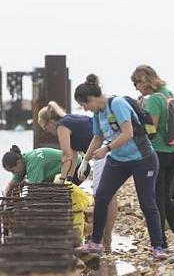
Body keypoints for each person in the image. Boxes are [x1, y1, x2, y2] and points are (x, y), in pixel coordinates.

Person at [72, 74, 167, 260]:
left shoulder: (117, 104)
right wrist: (85, 160)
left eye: (84, 105)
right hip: (118, 160)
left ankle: (158, 247)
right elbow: (97, 138)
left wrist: (106, 149)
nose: (84, 109)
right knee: (101, 197)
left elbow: (128, 133)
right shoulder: (98, 113)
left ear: (91, 99)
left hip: (143, 159)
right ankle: (96, 243)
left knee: (147, 202)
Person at [37, 100, 117, 252]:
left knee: (104, 196)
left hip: (103, 152)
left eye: (45, 128)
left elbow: (66, 156)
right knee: (108, 195)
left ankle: (105, 241)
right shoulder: (70, 120)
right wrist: (68, 179)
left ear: (50, 122)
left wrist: (60, 181)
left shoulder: (61, 127)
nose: (48, 131)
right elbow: (72, 158)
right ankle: (105, 239)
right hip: (108, 148)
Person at [131, 65, 174, 249]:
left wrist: (137, 125)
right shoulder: (168, 93)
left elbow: (151, 129)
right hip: (173, 151)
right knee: (165, 197)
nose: (136, 88)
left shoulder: (154, 100)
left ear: (144, 80)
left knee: (156, 199)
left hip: (157, 152)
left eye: (136, 83)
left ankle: (161, 243)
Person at [1, 145, 82, 195]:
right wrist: (6, 193)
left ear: (18, 162)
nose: (13, 174)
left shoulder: (33, 163)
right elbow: (11, 184)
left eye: (13, 171)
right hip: (68, 169)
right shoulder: (23, 160)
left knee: (58, 195)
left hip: (77, 169)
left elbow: (34, 190)